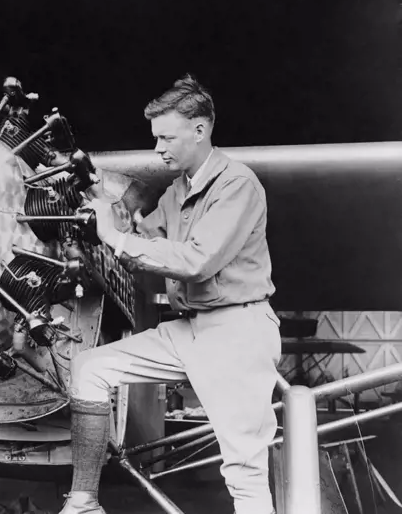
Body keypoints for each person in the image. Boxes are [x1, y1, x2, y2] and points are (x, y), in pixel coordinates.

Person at [61, 75, 281, 514]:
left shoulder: (237, 185)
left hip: (237, 330)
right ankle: (84, 500)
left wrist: (117, 239)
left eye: (166, 137)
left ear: (200, 131)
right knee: (89, 368)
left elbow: (195, 261)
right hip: (188, 329)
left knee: (244, 472)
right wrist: (96, 216)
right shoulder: (178, 190)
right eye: (155, 138)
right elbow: (143, 243)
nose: (158, 148)